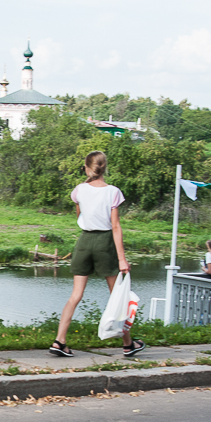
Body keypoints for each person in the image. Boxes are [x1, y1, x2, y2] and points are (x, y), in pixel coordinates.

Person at [48, 150, 145, 358]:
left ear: (86, 167)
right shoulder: (113, 192)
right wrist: (122, 259)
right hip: (105, 243)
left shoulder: (79, 190)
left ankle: (59, 340)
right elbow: (116, 226)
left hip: (84, 241)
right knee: (117, 295)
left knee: (75, 295)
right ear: (105, 168)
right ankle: (128, 344)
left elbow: (79, 216)